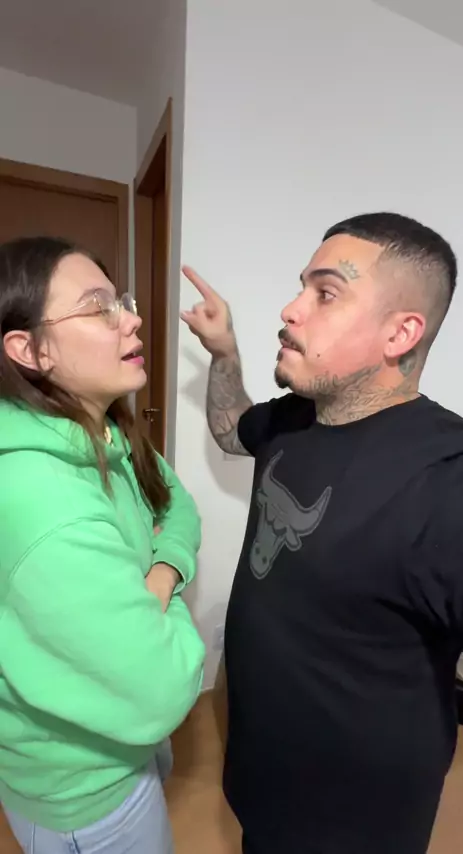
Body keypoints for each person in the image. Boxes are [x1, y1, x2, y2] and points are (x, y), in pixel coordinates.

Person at [181, 211, 463, 854]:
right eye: (302, 287)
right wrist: (224, 353)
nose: (291, 309)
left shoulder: (454, 481)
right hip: (261, 783)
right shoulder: (298, 415)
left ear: (400, 333)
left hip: (352, 827)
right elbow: (232, 432)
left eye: (326, 293)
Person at [0, 236, 205, 854]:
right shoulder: (49, 507)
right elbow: (164, 685)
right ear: (29, 350)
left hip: (124, 735)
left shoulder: (108, 433)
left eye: (122, 301)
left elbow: (179, 506)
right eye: (99, 307)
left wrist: (160, 577)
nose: (132, 319)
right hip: (87, 788)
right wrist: (157, 608)